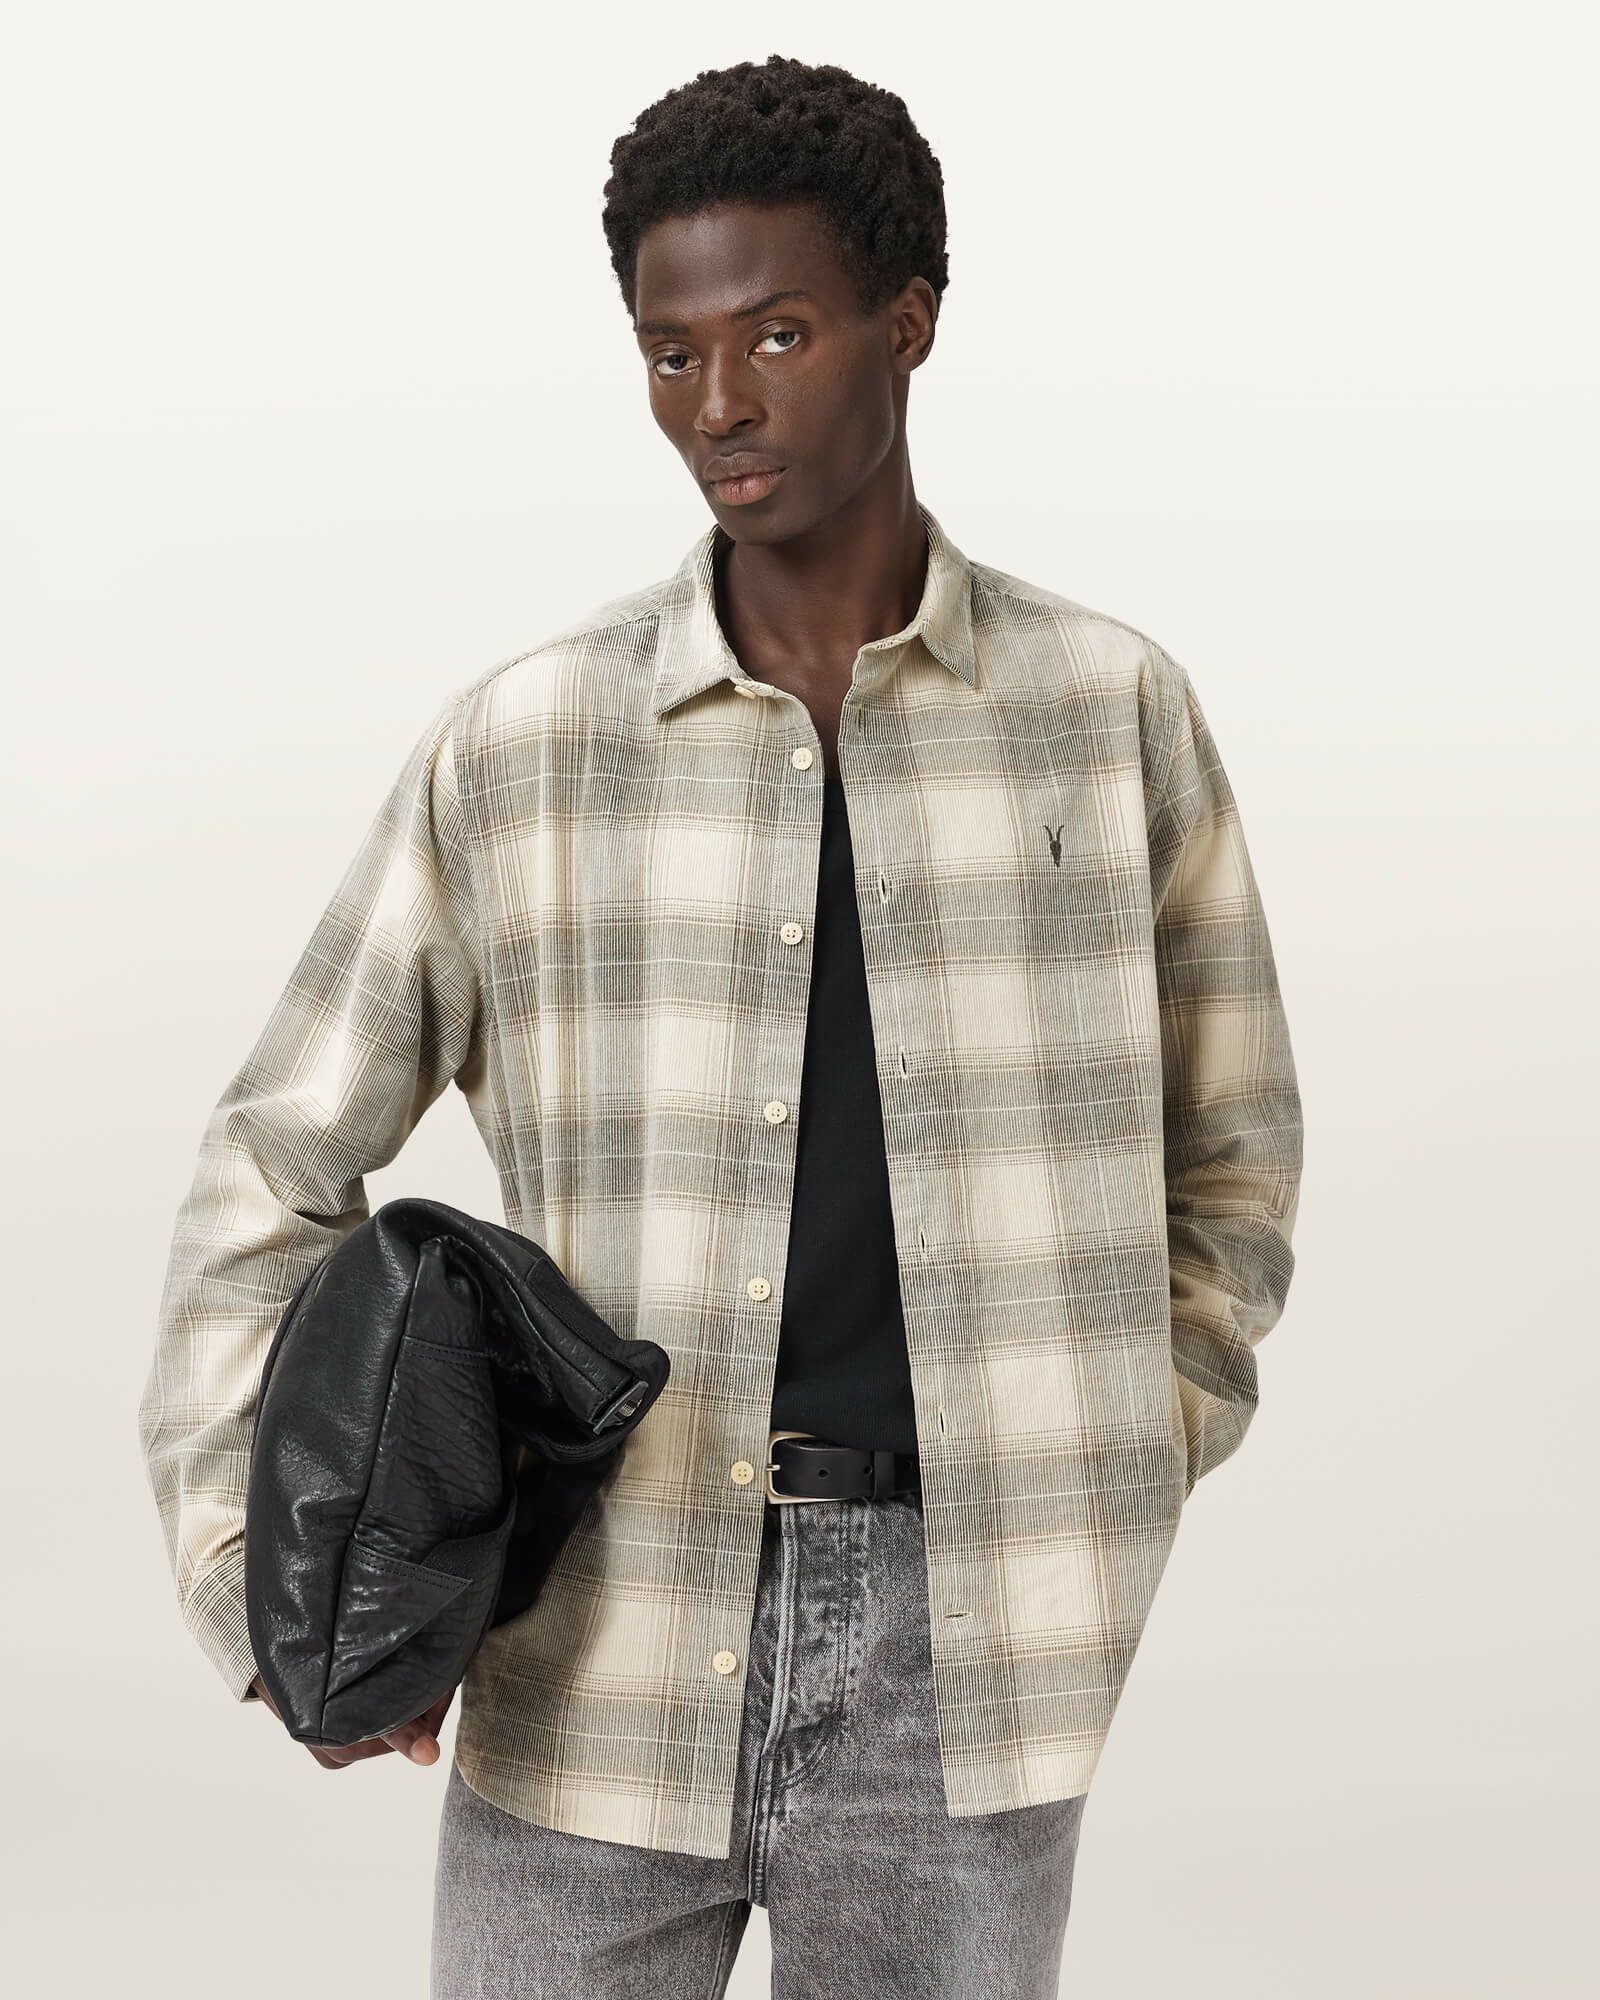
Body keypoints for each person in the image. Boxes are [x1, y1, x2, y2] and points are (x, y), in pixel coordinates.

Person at [138, 52, 1304, 2000]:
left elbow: (1233, 1164)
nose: (718, 405)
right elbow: (274, 1155)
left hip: (968, 1661)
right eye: (669, 353)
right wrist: (265, 1590)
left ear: (906, 321)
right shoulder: (528, 742)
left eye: (774, 333)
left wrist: (1108, 1452)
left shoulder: (1107, 714)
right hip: (590, 1633)